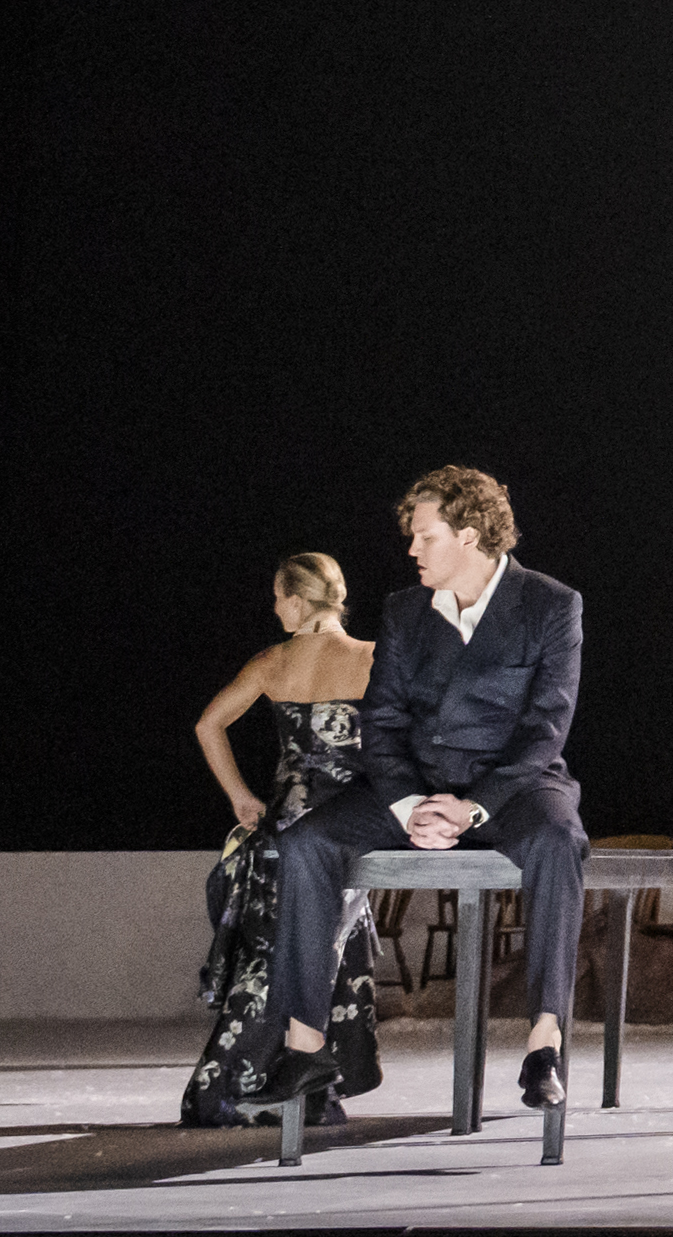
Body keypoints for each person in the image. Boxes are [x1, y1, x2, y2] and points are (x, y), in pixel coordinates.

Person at [249, 466, 588, 1118]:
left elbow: (546, 726)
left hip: (514, 787)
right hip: (413, 789)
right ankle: (306, 1044)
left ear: (469, 536)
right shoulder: (406, 610)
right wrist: (410, 804)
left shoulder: (551, 604)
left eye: (424, 536)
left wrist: (471, 803)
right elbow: (382, 722)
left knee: (559, 839)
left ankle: (545, 1043)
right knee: (305, 841)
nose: (411, 549)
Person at [180, 554, 386, 1125]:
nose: (274, 608)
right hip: (348, 828)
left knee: (273, 952)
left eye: (277, 597)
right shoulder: (373, 659)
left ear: (297, 600)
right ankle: (311, 1090)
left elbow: (207, 724)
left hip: (286, 826)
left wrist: (241, 798)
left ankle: (242, 1087)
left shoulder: (273, 662)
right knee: (324, 948)